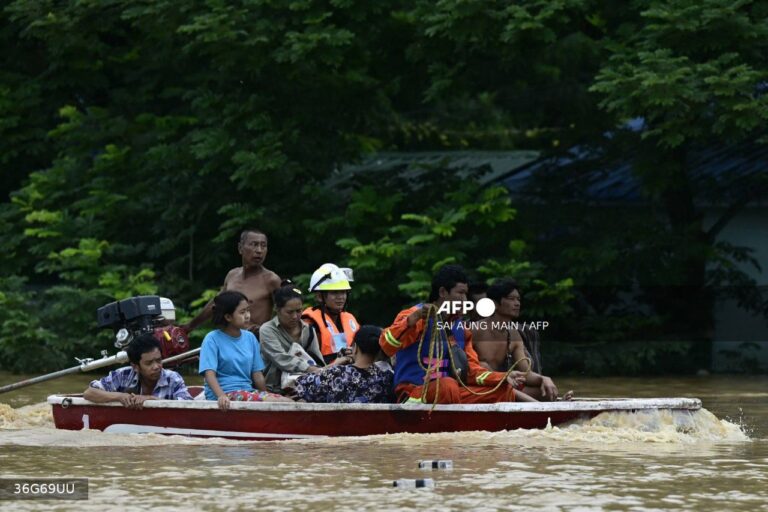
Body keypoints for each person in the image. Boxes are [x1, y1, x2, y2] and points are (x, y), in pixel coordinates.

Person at [379, 264, 533, 404]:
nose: (465, 299)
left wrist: (503, 377)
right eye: (460, 293)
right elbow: (386, 346)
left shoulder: (461, 328)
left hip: (449, 394)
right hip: (413, 393)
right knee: (447, 385)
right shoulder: (415, 315)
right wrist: (414, 318)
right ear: (443, 292)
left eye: (466, 294)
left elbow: (472, 371)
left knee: (501, 390)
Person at [474, 278, 572, 401]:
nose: (517, 303)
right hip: (481, 387)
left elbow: (526, 373)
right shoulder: (476, 330)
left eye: (518, 299)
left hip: (506, 386)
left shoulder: (513, 335)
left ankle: (551, 406)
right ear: (495, 303)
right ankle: (545, 411)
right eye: (511, 299)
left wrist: (544, 379)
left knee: (545, 392)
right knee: (485, 366)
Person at [198, 290, 290, 410]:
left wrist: (266, 395)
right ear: (228, 317)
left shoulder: (250, 338)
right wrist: (221, 396)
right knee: (281, 401)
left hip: (247, 392)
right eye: (242, 312)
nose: (247, 315)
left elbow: (257, 374)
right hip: (224, 395)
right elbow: (209, 374)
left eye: (248, 310)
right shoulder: (212, 339)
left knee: (288, 400)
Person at [182, 229, 281, 337]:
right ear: (240, 248)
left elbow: (286, 311)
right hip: (227, 339)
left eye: (263, 246)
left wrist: (265, 330)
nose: (259, 250)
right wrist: (190, 326)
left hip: (254, 343)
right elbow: (216, 303)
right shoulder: (232, 275)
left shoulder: (271, 280)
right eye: (254, 245)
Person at [83, 333, 192, 408]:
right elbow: (89, 393)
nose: (156, 366)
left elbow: (188, 404)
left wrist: (150, 399)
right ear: (135, 366)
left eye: (158, 360)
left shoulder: (173, 378)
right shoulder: (123, 375)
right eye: (149, 363)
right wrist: (120, 397)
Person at [294, 325, 395, 403]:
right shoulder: (388, 377)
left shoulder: (335, 373)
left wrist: (333, 365)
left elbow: (299, 385)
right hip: (376, 429)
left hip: (337, 428)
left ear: (355, 347)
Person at [259, 281, 326, 393]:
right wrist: (309, 368)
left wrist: (320, 370)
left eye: (299, 311)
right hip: (274, 388)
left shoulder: (308, 329)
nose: (295, 316)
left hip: (304, 386)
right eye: (289, 312)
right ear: (277, 309)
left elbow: (317, 359)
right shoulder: (267, 330)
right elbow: (280, 357)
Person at [302, 263, 360, 364]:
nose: (341, 297)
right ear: (320, 296)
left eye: (343, 292)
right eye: (334, 292)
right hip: (325, 373)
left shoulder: (349, 318)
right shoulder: (309, 323)